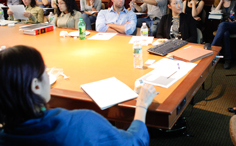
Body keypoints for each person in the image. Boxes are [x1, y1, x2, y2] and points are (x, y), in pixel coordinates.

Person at [0, 45, 157, 145]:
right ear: (35, 85)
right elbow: (134, 142)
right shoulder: (81, 123)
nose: (48, 76)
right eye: (45, 72)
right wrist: (141, 105)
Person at [211, 0, 236, 69]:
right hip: (224, 28)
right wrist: (221, 1)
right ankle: (228, 59)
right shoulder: (219, 3)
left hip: (235, 25)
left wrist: (234, 21)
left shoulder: (235, 2)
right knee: (225, 34)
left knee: (222, 25)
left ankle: (212, 49)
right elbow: (214, 13)